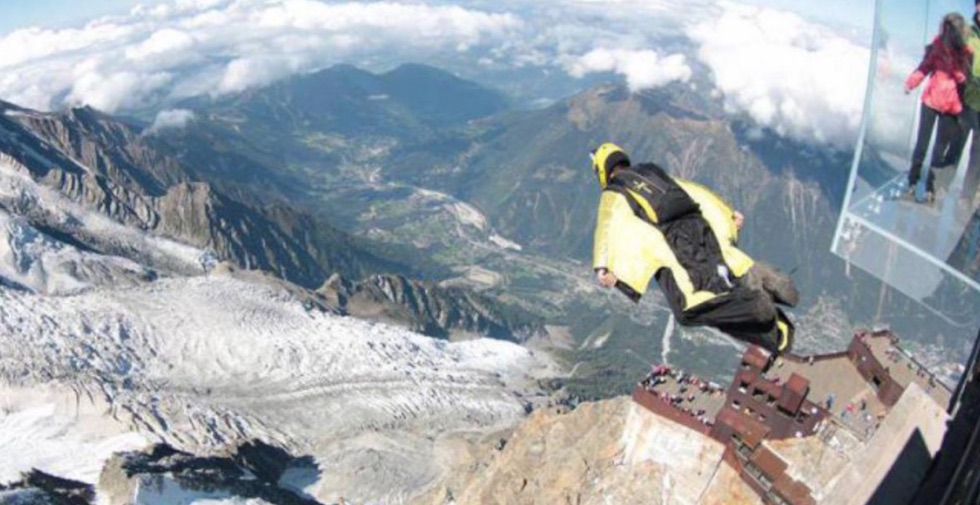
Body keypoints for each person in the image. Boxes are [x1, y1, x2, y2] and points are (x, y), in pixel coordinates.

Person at [589, 142, 798, 356]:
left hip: (675, 245)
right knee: (719, 287)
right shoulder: (652, 172)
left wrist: (602, 266)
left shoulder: (614, 192)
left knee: (688, 310)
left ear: (603, 170)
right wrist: (728, 213)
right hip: (701, 228)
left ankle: (755, 308)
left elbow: (607, 226)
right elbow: (696, 191)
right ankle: (770, 318)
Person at [903, 12, 973, 204]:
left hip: (950, 107)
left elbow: (966, 80)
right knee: (922, 145)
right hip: (932, 103)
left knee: (938, 151)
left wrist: (959, 71)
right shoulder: (937, 48)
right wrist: (911, 82)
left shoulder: (965, 54)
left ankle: (930, 188)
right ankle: (912, 181)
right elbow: (924, 67)